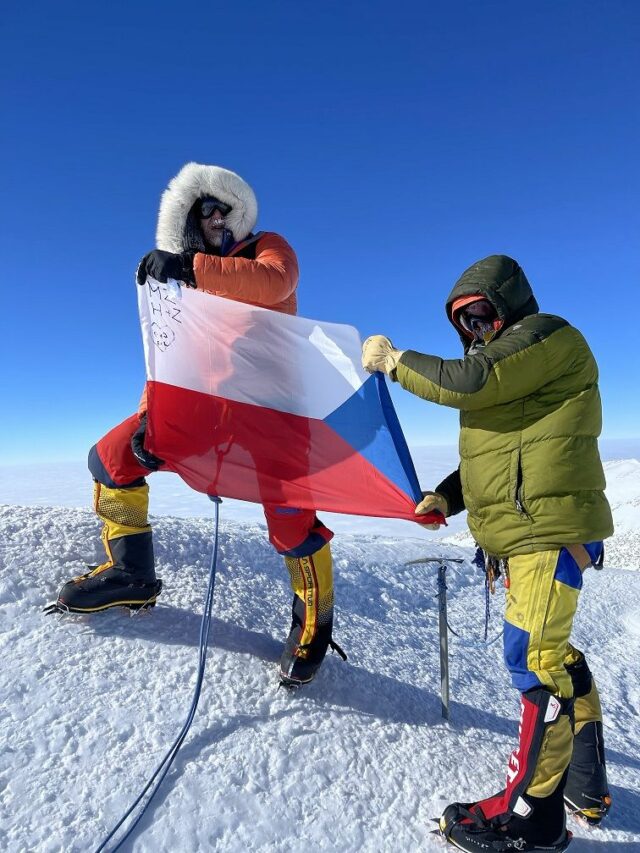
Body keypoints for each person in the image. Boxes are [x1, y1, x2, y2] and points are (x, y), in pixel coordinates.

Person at [52, 162, 340, 688]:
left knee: (292, 526)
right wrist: (150, 415)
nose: (212, 219)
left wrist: (190, 270)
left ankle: (314, 626)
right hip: (204, 410)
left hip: (272, 411)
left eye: (220, 208)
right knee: (111, 460)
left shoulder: (263, 249)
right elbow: (167, 354)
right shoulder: (182, 280)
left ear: (238, 212)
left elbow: (278, 283)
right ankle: (131, 574)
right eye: (201, 211)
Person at [361, 255, 613, 852]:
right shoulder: (511, 374)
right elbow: (493, 461)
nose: (475, 332)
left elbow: (470, 381)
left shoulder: (547, 336)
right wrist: (444, 499)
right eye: (463, 324)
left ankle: (533, 817)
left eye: (480, 315)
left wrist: (397, 363)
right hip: (531, 534)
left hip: (546, 533)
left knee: (535, 662)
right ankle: (584, 779)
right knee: (552, 656)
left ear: (508, 303)